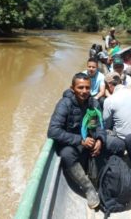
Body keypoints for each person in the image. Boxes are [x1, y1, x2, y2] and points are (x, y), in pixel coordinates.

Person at [47, 72, 106, 209]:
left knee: (112, 144)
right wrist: (79, 140)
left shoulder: (93, 103)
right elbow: (53, 131)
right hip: (72, 143)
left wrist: (100, 140)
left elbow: (100, 125)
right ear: (72, 88)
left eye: (87, 88)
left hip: (89, 140)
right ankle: (88, 188)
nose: (84, 91)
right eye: (80, 88)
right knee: (66, 154)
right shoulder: (64, 104)